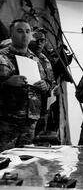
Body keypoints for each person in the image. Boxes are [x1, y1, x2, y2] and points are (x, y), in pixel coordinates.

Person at [0, 20, 51, 151]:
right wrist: (7, 83)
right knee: (4, 161)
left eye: (28, 32)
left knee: (25, 163)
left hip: (30, 123)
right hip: (6, 121)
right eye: (20, 31)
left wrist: (45, 86)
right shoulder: (2, 57)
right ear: (11, 34)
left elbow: (49, 86)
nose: (24, 35)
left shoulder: (38, 60)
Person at [28, 27, 57, 137]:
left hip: (42, 111)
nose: (40, 44)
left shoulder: (45, 60)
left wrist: (51, 88)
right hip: (22, 113)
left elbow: (51, 82)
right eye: (37, 40)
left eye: (43, 41)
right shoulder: (21, 55)